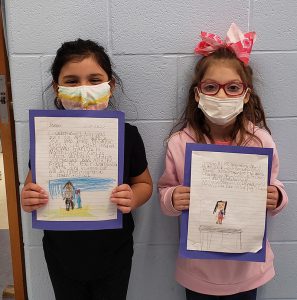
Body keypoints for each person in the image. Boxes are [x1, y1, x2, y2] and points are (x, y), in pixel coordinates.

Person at [158, 23, 288, 299]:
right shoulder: (180, 143)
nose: (221, 95)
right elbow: (165, 192)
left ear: (245, 94)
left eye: (232, 88)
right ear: (197, 93)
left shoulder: (260, 140)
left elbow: (276, 188)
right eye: (211, 87)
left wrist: (276, 197)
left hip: (246, 269)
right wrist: (172, 198)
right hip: (198, 271)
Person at [21, 39, 153, 300]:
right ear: (57, 89)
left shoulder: (127, 135)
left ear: (110, 86)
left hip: (114, 250)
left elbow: (145, 184)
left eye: (94, 80)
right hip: (61, 252)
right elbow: (30, 184)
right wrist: (28, 197)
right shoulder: (47, 136)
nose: (83, 89)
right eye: (71, 81)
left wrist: (133, 197)